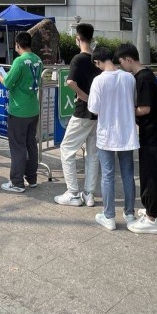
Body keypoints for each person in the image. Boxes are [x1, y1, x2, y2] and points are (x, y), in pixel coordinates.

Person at [116, 43, 157, 234]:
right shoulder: (145, 75)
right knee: (156, 174)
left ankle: (151, 219)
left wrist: (126, 111)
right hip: (156, 133)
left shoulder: (143, 78)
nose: (122, 66)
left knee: (150, 175)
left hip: (153, 135)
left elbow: (144, 108)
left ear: (128, 59)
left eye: (122, 62)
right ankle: (156, 211)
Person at [87, 45, 138, 230]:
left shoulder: (98, 81)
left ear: (98, 61)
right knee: (127, 174)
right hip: (127, 133)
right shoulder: (129, 78)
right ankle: (130, 213)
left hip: (107, 134)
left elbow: (93, 108)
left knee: (107, 175)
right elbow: (133, 101)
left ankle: (109, 216)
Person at [54, 23, 101, 208]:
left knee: (66, 149)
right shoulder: (97, 60)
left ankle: (73, 192)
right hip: (97, 114)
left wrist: (85, 97)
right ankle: (89, 194)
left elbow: (70, 81)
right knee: (92, 154)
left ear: (78, 38)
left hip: (82, 111)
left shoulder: (77, 59)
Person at [0, 32, 42, 193]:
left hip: (19, 110)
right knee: (31, 144)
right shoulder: (38, 60)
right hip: (33, 108)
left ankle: (16, 182)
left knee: (17, 146)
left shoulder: (19, 61)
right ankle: (32, 178)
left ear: (17, 44)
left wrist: (0, 75)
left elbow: (8, 83)